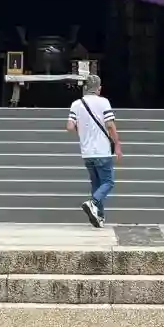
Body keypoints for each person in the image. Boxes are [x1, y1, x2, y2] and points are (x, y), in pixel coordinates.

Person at [65, 75, 121, 227]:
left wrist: (82, 132)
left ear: (85, 88)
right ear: (99, 88)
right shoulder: (103, 102)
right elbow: (110, 125)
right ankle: (93, 202)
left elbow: (69, 126)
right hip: (102, 150)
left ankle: (99, 216)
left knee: (96, 184)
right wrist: (117, 144)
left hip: (86, 152)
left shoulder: (76, 104)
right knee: (108, 182)